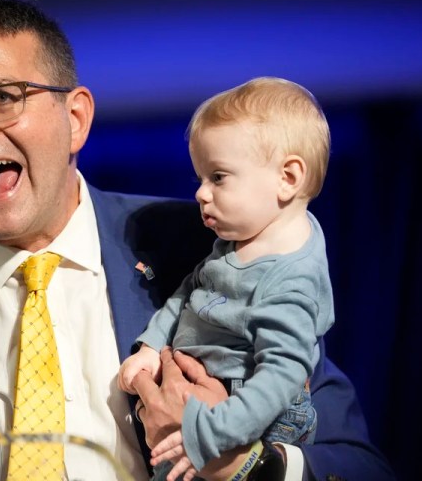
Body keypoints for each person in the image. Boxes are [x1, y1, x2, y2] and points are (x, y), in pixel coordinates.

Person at [0, 0, 394, 480]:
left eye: (3, 97)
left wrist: (244, 464)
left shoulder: (203, 246)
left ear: (76, 118)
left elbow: (356, 464)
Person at [118, 77, 334, 480]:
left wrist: (211, 435)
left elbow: (280, 379)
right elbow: (191, 290)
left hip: (244, 415)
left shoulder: (290, 280)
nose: (201, 194)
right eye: (200, 179)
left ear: (288, 178)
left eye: (218, 177)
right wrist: (151, 346)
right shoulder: (241, 240)